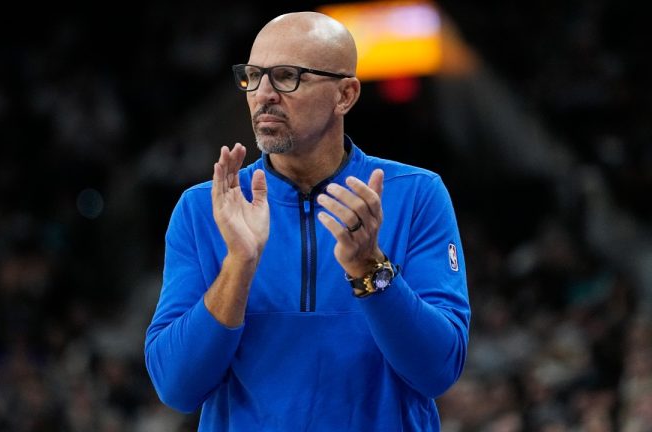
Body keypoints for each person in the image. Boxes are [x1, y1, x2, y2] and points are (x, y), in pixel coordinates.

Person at [145, 11, 470, 431]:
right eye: (253, 76)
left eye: (286, 76)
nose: (263, 94)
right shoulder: (204, 208)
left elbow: (438, 370)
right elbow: (176, 387)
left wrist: (370, 269)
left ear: (345, 95)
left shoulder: (416, 195)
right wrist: (238, 266)